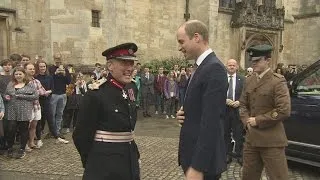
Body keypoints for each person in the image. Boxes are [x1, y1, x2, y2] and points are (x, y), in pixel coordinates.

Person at [73, 43, 140, 180]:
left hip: (129, 159)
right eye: (124, 63)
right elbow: (81, 136)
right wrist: (93, 162)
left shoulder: (131, 87)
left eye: (131, 63)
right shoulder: (96, 94)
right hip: (103, 164)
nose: (129, 68)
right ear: (110, 66)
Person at [176, 20, 228, 180]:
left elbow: (211, 122)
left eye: (181, 41)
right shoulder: (202, 66)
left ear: (196, 37)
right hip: (193, 157)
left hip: (204, 166)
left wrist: (198, 166)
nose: (180, 47)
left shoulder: (214, 68)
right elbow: (200, 108)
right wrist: (185, 113)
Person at [239, 44, 291, 180]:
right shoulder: (249, 80)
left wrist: (258, 120)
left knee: (278, 177)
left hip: (271, 141)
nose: (253, 63)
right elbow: (243, 105)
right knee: (248, 176)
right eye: (252, 61)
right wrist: (247, 122)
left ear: (268, 60)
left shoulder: (277, 81)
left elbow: (283, 110)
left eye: (257, 61)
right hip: (251, 140)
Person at [5, 67, 39, 159]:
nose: (18, 76)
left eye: (20, 74)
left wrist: (21, 96)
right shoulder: (11, 84)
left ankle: (22, 149)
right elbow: (6, 93)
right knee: (11, 129)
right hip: (12, 110)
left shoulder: (29, 84)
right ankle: (10, 148)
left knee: (23, 130)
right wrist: (7, 96)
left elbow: (35, 96)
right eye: (16, 74)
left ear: (24, 74)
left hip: (25, 110)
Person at [224, 59, 245, 165]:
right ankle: (227, 154)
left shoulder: (242, 79)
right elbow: (217, 93)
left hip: (237, 110)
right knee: (225, 133)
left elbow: (246, 95)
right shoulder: (221, 79)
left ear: (237, 67)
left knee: (239, 133)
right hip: (225, 110)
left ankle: (240, 154)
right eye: (229, 65)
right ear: (226, 66)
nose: (231, 67)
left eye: (233, 65)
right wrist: (224, 99)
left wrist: (239, 102)